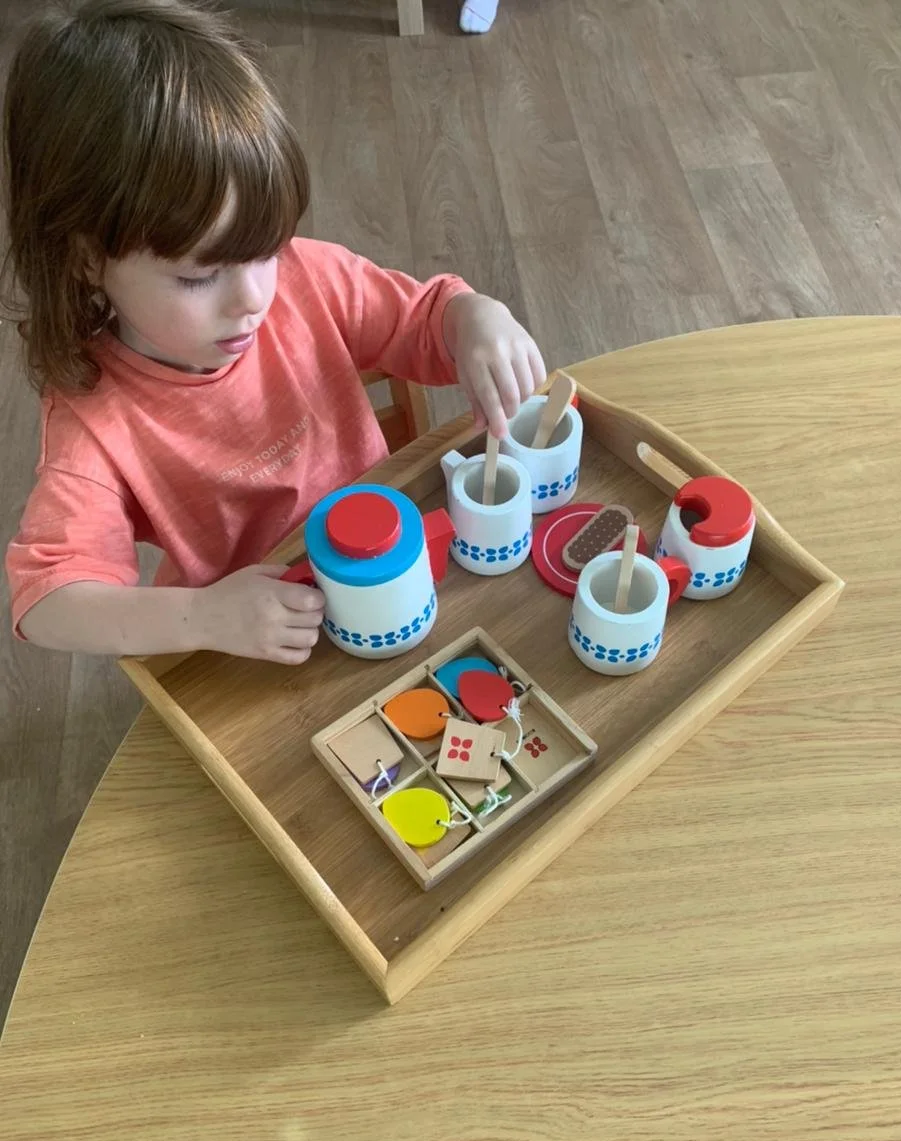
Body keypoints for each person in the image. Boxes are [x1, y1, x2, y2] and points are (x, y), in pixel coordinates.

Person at [3, 0, 544, 665]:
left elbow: (426, 319)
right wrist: (202, 615)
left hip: (392, 572)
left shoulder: (306, 276)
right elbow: (49, 598)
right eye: (200, 277)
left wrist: (474, 318)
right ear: (88, 259)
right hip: (258, 635)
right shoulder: (94, 418)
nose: (253, 298)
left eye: (265, 249)